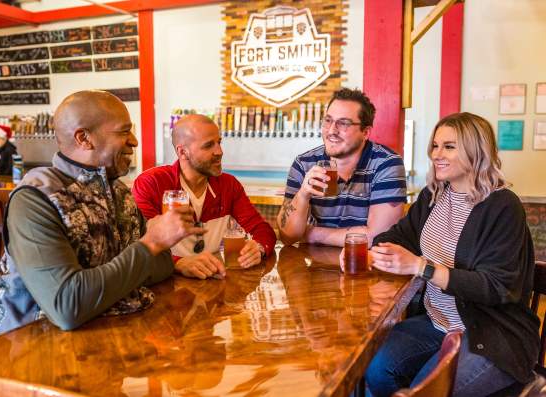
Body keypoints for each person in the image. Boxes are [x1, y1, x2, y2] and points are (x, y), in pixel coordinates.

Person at [0, 90, 205, 339]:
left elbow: (159, 267)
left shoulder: (117, 191)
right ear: (84, 138)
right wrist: (152, 242)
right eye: (123, 131)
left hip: (99, 343)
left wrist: (156, 249)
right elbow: (67, 307)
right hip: (22, 353)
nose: (134, 141)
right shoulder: (35, 200)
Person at [361, 112, 539, 396]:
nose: (436, 154)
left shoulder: (502, 206)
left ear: (476, 151)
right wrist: (380, 251)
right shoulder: (433, 196)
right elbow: (397, 237)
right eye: (435, 145)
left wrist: (421, 266)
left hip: (490, 333)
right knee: (373, 367)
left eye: (449, 146)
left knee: (425, 389)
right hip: (436, 322)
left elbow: (496, 287)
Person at [132, 114, 276, 279]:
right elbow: (138, 245)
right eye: (208, 146)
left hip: (212, 282)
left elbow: (263, 230)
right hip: (164, 282)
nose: (220, 151)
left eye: (219, 142)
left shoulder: (229, 185)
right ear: (182, 152)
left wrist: (258, 248)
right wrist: (177, 263)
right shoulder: (151, 183)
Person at [277, 88, 407, 247]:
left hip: (364, 267)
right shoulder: (304, 163)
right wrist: (303, 194)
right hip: (314, 268)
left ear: (365, 132)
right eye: (328, 120)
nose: (332, 131)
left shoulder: (385, 163)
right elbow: (288, 237)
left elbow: (380, 238)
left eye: (343, 123)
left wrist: (312, 233)